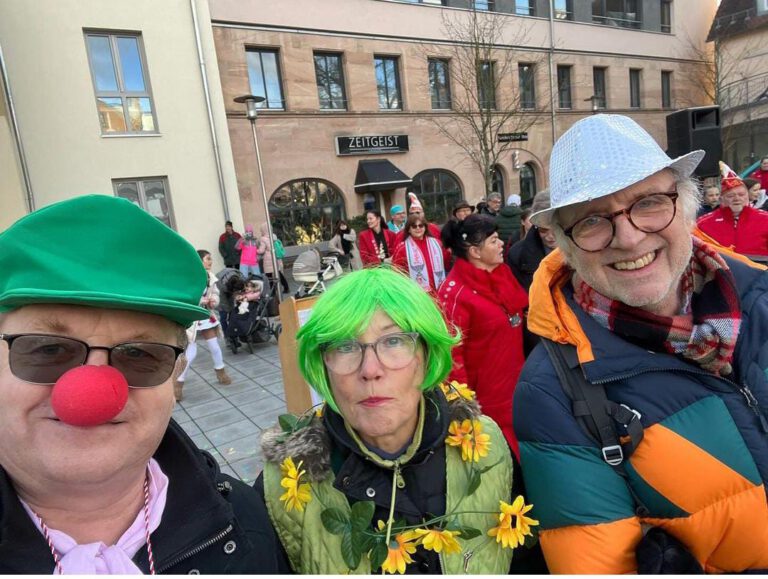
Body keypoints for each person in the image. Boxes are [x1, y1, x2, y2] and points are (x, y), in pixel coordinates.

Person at [514, 114, 768, 573]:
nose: (629, 239)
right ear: (565, 245)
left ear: (687, 206)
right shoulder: (553, 392)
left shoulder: (760, 296)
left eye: (648, 202)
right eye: (592, 221)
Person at [0, 195, 289, 573]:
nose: (92, 395)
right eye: (49, 349)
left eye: (138, 355)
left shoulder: (250, 527)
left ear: (173, 375)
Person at [255, 267, 541, 574]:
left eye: (393, 341)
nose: (370, 369)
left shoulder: (487, 446)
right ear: (323, 367)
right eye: (345, 346)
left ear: (427, 356)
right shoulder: (280, 486)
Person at [438, 214, 528, 457]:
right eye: (494, 241)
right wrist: (465, 410)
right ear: (475, 252)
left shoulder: (502, 274)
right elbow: (451, 357)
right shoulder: (454, 294)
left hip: (517, 387)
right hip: (488, 402)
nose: (502, 244)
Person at [175, 249, 232, 401]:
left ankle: (221, 373)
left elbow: (215, 293)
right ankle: (178, 384)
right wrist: (200, 301)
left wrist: (213, 300)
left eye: (210, 259)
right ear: (199, 261)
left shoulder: (211, 277)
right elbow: (186, 296)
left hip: (206, 316)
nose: (210, 261)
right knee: (191, 353)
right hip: (194, 318)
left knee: (215, 346)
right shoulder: (191, 277)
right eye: (207, 259)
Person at [697, 162, 768, 258]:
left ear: (748, 196)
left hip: (760, 271)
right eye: (730, 195)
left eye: (741, 194)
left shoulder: (765, 219)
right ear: (721, 199)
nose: (737, 198)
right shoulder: (703, 224)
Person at [392, 214, 449, 293]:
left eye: (421, 225)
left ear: (425, 227)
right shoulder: (402, 248)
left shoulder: (437, 244)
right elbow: (397, 272)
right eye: (414, 226)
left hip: (438, 290)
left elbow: (446, 262)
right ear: (409, 229)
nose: (418, 228)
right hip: (417, 294)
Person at [215, 266, 245, 335]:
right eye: (237, 291)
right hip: (220, 295)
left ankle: (234, 333)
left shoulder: (240, 277)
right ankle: (227, 335)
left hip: (229, 286)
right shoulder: (220, 285)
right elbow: (223, 303)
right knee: (223, 317)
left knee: (233, 315)